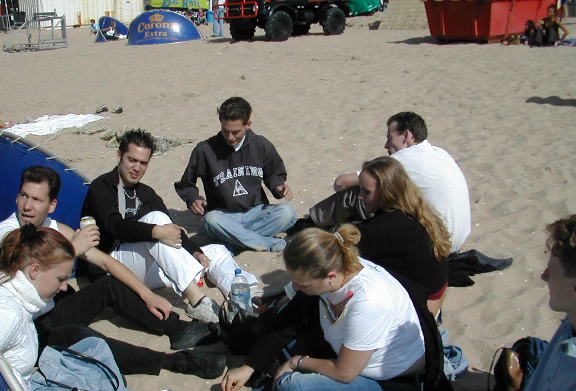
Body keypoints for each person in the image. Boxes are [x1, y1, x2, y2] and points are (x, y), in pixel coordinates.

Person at [288, 214, 576, 391]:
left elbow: (345, 372)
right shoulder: (568, 325)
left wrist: (299, 362)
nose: (543, 277)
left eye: (553, 271)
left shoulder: (367, 297)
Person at [0, 165, 224, 368]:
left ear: (51, 205)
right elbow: (24, 277)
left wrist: (148, 295)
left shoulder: (54, 227)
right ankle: (173, 363)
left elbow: (106, 261)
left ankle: (177, 328)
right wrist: (73, 249)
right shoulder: (7, 235)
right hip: (25, 326)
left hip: (47, 308)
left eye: (36, 199)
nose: (27, 206)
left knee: (109, 285)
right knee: (89, 341)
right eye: (24, 196)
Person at [0, 225, 169, 391]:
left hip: (24, 385)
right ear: (34, 271)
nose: (64, 286)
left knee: (93, 346)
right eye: (61, 278)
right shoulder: (5, 313)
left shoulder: (10, 278)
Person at [221, 224, 426, 391]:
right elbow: (288, 321)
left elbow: (345, 373)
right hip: (343, 353)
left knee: (293, 390)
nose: (295, 287)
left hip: (389, 381)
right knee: (270, 339)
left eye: (302, 283)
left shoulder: (369, 301)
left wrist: (297, 362)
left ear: (330, 277)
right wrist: (250, 366)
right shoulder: (333, 271)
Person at [83, 128, 259, 324]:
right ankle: (197, 301)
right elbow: (113, 226)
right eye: (132, 160)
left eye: (143, 163)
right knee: (157, 222)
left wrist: (195, 253)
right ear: (119, 156)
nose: (137, 168)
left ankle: (247, 298)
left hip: (147, 267)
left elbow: (172, 232)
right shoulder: (102, 187)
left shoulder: (146, 193)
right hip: (113, 267)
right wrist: (156, 231)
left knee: (215, 251)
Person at [313, 112, 470, 254]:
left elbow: (342, 183)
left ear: (407, 135)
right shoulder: (440, 153)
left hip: (433, 243)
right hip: (455, 241)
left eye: (390, 138)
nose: (386, 145)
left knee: (363, 191)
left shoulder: (406, 158)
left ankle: (313, 221)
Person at [175, 97, 297, 253]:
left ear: (248, 125)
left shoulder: (260, 145)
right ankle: (266, 243)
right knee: (211, 220)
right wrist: (193, 199)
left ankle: (233, 241)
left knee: (288, 213)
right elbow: (186, 184)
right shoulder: (204, 149)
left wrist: (278, 186)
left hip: (256, 213)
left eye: (235, 132)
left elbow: (274, 173)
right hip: (223, 217)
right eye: (225, 131)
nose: (230, 137)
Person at [355, 156, 451, 315]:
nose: (360, 196)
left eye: (366, 191)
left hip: (423, 306)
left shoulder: (386, 227)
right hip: (436, 290)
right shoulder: (415, 210)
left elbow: (344, 250)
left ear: (387, 192)